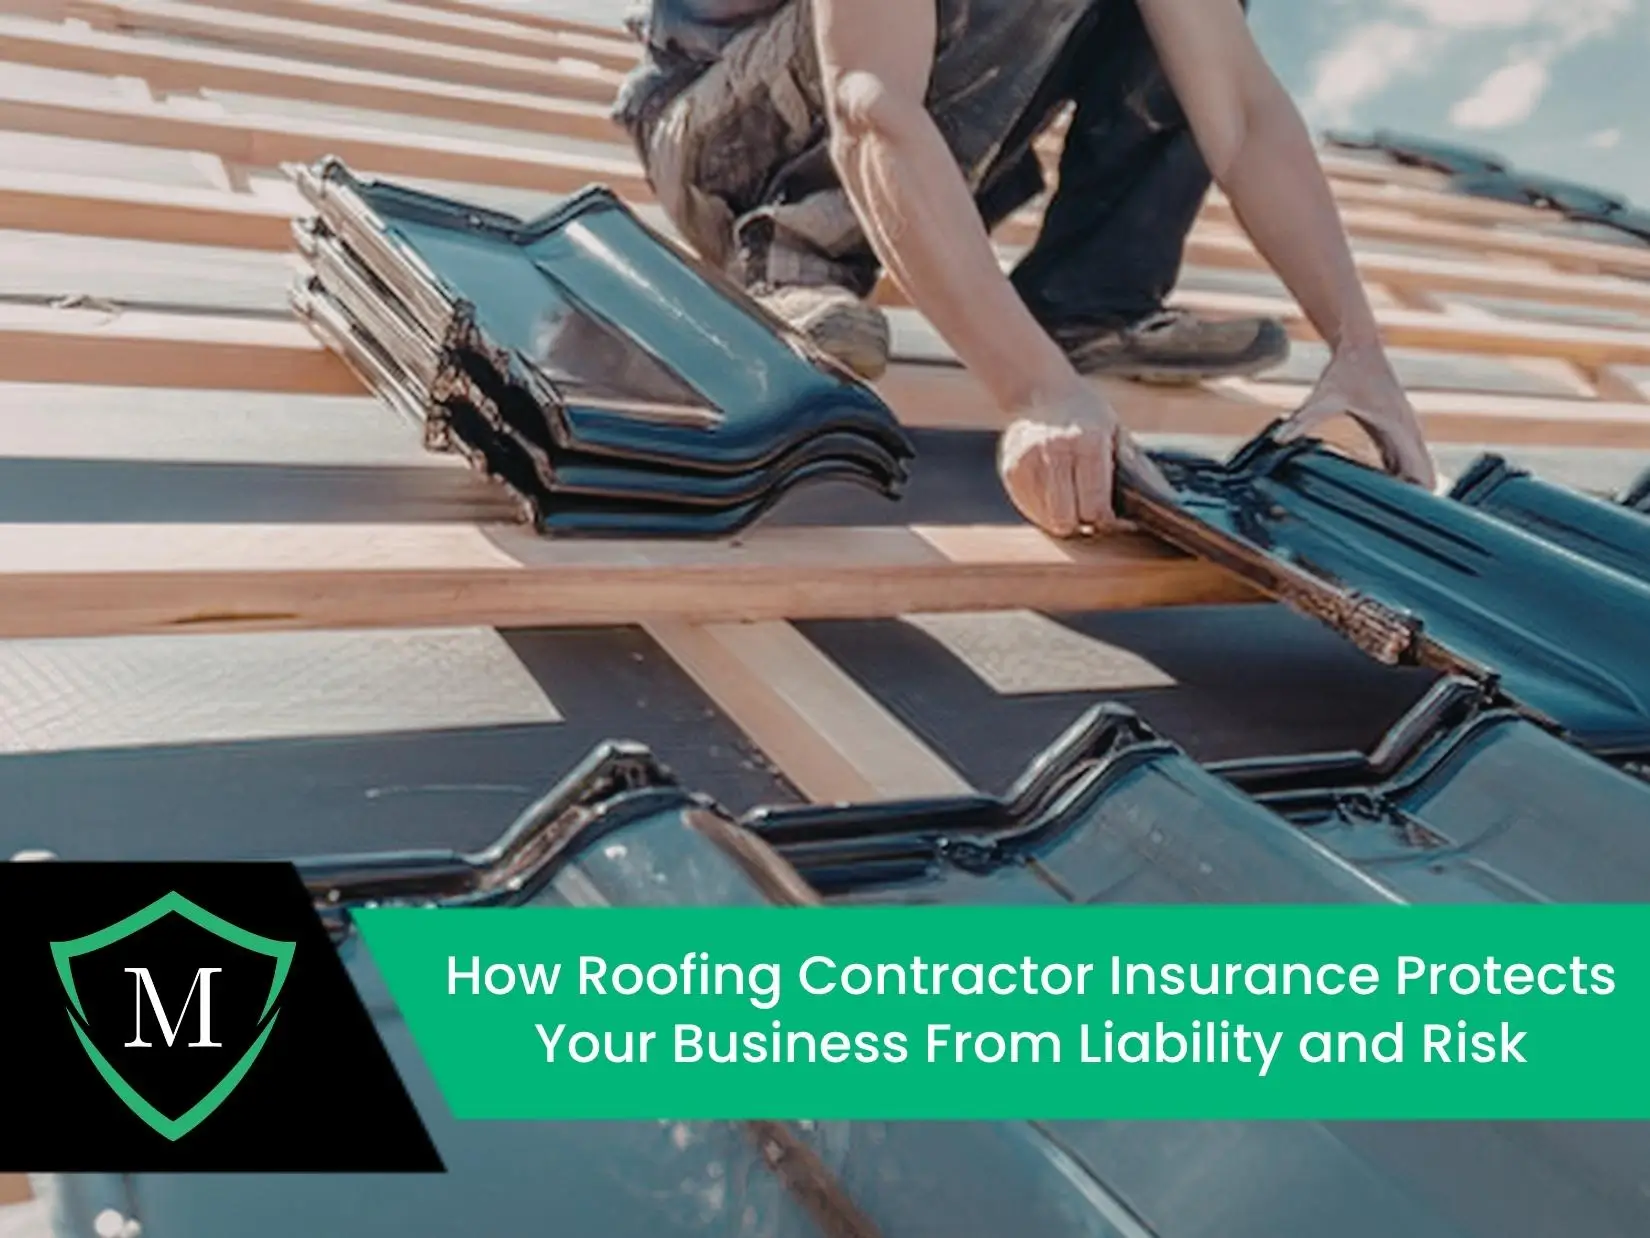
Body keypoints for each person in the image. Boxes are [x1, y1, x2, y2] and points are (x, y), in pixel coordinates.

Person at [615, 0, 1438, 535]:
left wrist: (1358, 350)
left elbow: (1245, 115)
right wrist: (1034, 392)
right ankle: (792, 252)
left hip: (908, 121)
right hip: (721, 136)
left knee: (1195, 25)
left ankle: (1087, 304)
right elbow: (870, 104)